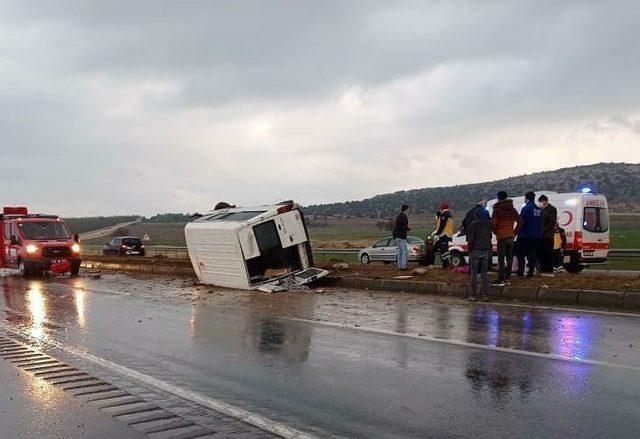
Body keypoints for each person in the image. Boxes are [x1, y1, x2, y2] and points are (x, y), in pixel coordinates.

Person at [491, 191, 522, 286]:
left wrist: (496, 232)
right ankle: (508, 278)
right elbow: (520, 222)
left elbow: (493, 224)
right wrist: (514, 233)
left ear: (498, 198)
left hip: (501, 237)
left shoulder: (497, 210)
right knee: (509, 258)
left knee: (501, 258)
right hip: (510, 236)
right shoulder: (512, 209)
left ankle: (501, 278)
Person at [466, 206, 493, 301]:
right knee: (484, 273)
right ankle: (485, 295)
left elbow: (471, 239)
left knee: (474, 274)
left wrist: (470, 249)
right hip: (485, 250)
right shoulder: (489, 224)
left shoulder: (474, 224)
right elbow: (489, 236)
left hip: (475, 250)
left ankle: (473, 295)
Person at [516, 191, 542, 278]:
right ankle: (531, 272)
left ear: (526, 198)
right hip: (536, 236)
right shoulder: (538, 209)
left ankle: (520, 272)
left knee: (521, 254)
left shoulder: (526, 208)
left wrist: (517, 232)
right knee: (532, 255)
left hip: (525, 235)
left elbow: (521, 222)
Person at [538, 195, 558, 275]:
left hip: (548, 235)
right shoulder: (540, 210)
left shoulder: (552, 209)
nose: (540, 204)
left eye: (541, 202)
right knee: (542, 253)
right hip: (541, 236)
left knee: (548, 252)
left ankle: (548, 269)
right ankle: (542, 268)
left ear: (545, 201)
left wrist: (543, 230)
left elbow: (551, 222)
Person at [393, 205, 410, 270]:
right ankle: (404, 266)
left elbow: (396, 227)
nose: (409, 211)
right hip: (402, 236)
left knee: (399, 252)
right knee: (404, 252)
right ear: (406, 210)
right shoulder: (404, 217)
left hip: (397, 236)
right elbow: (404, 227)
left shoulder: (398, 216)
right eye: (408, 210)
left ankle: (399, 266)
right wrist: (408, 229)